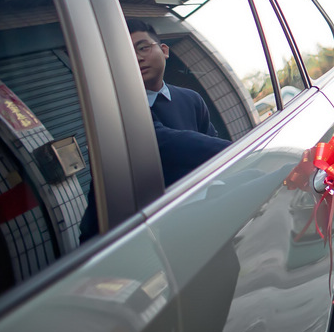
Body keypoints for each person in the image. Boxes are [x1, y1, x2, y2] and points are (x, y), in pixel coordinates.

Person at [79, 20, 227, 241]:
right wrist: (251, 149)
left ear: (164, 50)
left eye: (143, 47)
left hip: (202, 220)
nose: (137, 58)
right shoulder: (115, 109)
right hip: (130, 237)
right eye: (126, 53)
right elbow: (165, 143)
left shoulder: (191, 99)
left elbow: (212, 145)